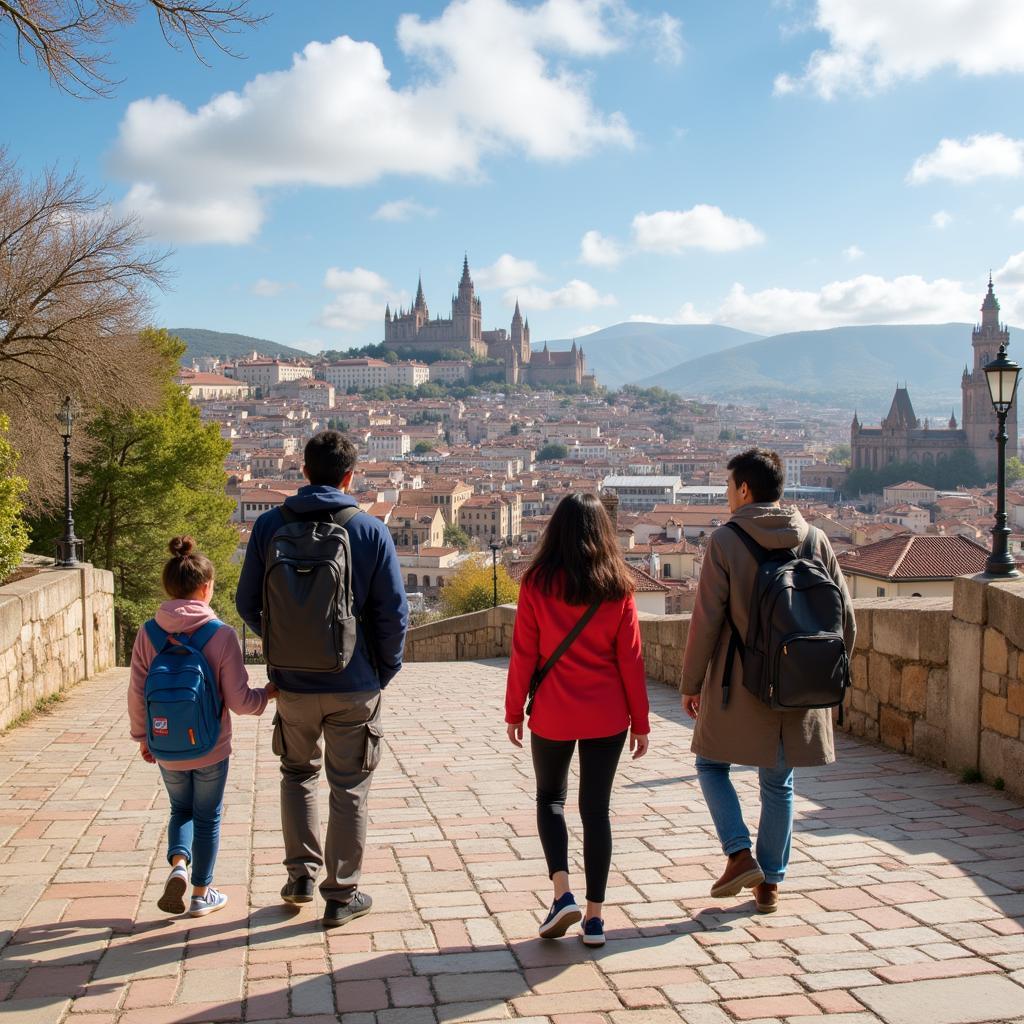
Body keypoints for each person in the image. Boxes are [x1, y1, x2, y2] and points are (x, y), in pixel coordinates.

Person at [236, 430, 408, 929]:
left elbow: (247, 601)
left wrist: (284, 642)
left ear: (304, 471)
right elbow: (394, 613)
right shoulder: (370, 530)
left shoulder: (269, 526)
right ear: (350, 475)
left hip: (292, 682)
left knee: (296, 774)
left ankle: (300, 878)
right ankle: (341, 893)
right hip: (356, 682)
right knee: (349, 786)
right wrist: (384, 670)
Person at [680, 449, 855, 914]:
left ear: (744, 489)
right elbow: (847, 621)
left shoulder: (726, 541)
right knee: (779, 782)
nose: (725, 494)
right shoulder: (815, 538)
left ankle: (739, 855)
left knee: (710, 765)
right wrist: (824, 675)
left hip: (741, 683)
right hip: (801, 683)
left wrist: (691, 682)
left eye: (727, 485)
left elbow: (707, 621)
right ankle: (770, 883)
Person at [505, 493, 650, 948]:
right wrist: (641, 722)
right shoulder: (619, 587)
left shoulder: (536, 583)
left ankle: (561, 893)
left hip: (552, 712)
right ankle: (594, 918)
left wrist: (513, 711)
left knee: (550, 799)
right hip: (608, 715)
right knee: (596, 811)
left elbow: (524, 654)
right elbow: (631, 661)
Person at [129, 536, 275, 918]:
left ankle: (179, 863)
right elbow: (242, 702)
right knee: (208, 815)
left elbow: (137, 690)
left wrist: (144, 737)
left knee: (181, 809)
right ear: (207, 588)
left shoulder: (149, 633)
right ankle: (201, 893)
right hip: (211, 745)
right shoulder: (222, 635)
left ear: (168, 588)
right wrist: (268, 695)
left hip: (166, 743)